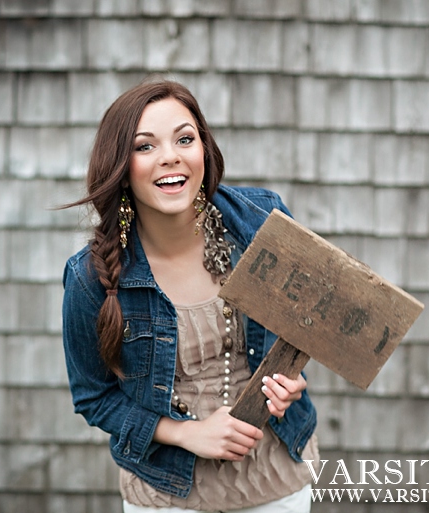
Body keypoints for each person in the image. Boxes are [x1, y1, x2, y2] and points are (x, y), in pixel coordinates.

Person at [61, 78, 318, 512]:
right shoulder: (91, 277)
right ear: (120, 167)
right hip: (166, 493)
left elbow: (309, 319)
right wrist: (185, 433)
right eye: (145, 146)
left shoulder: (261, 222)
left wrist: (289, 379)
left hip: (279, 478)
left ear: (204, 148)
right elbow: (94, 397)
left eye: (185, 138)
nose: (170, 157)